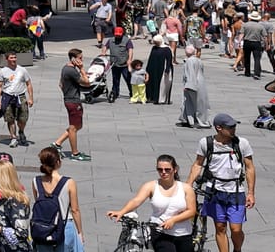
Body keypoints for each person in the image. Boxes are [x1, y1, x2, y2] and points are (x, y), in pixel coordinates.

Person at [187, 114, 257, 252]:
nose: (234, 129)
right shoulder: (206, 143)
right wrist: (188, 185)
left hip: (236, 192)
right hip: (214, 190)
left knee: (236, 229)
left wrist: (251, 193)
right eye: (230, 127)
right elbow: (198, 164)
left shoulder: (242, 143)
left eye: (234, 126)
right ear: (219, 128)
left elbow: (249, 167)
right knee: (220, 227)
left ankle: (237, 249)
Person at [110, 153, 199, 252]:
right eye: (160, 170)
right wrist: (122, 212)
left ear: (175, 169)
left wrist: (173, 220)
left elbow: (191, 211)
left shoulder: (186, 188)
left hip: (183, 233)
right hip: (160, 232)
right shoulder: (151, 186)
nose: (163, 172)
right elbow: (136, 200)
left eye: (167, 169)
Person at [31, 145, 82, 252]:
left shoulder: (36, 181)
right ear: (58, 162)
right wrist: (79, 232)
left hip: (42, 227)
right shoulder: (69, 182)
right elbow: (75, 210)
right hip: (64, 225)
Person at [51, 49, 89, 161]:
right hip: (73, 101)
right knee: (73, 128)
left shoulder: (65, 68)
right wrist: (82, 69)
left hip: (69, 99)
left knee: (78, 126)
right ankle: (75, 153)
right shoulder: (71, 70)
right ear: (73, 59)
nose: (82, 60)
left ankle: (57, 143)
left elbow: (60, 84)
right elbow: (87, 82)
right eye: (80, 58)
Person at [0, 53, 31, 146]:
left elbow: (29, 84)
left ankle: (21, 131)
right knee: (10, 119)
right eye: (11, 58)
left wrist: (31, 98)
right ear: (7, 59)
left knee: (23, 118)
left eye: (15, 57)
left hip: (20, 96)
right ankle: (13, 137)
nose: (14, 59)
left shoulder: (22, 70)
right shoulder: (3, 71)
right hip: (7, 97)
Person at [179, 44, 208, 130]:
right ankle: (188, 118)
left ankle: (193, 120)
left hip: (192, 84)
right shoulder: (198, 60)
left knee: (191, 103)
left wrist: (189, 85)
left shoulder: (189, 61)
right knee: (198, 102)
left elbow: (191, 74)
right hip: (200, 83)